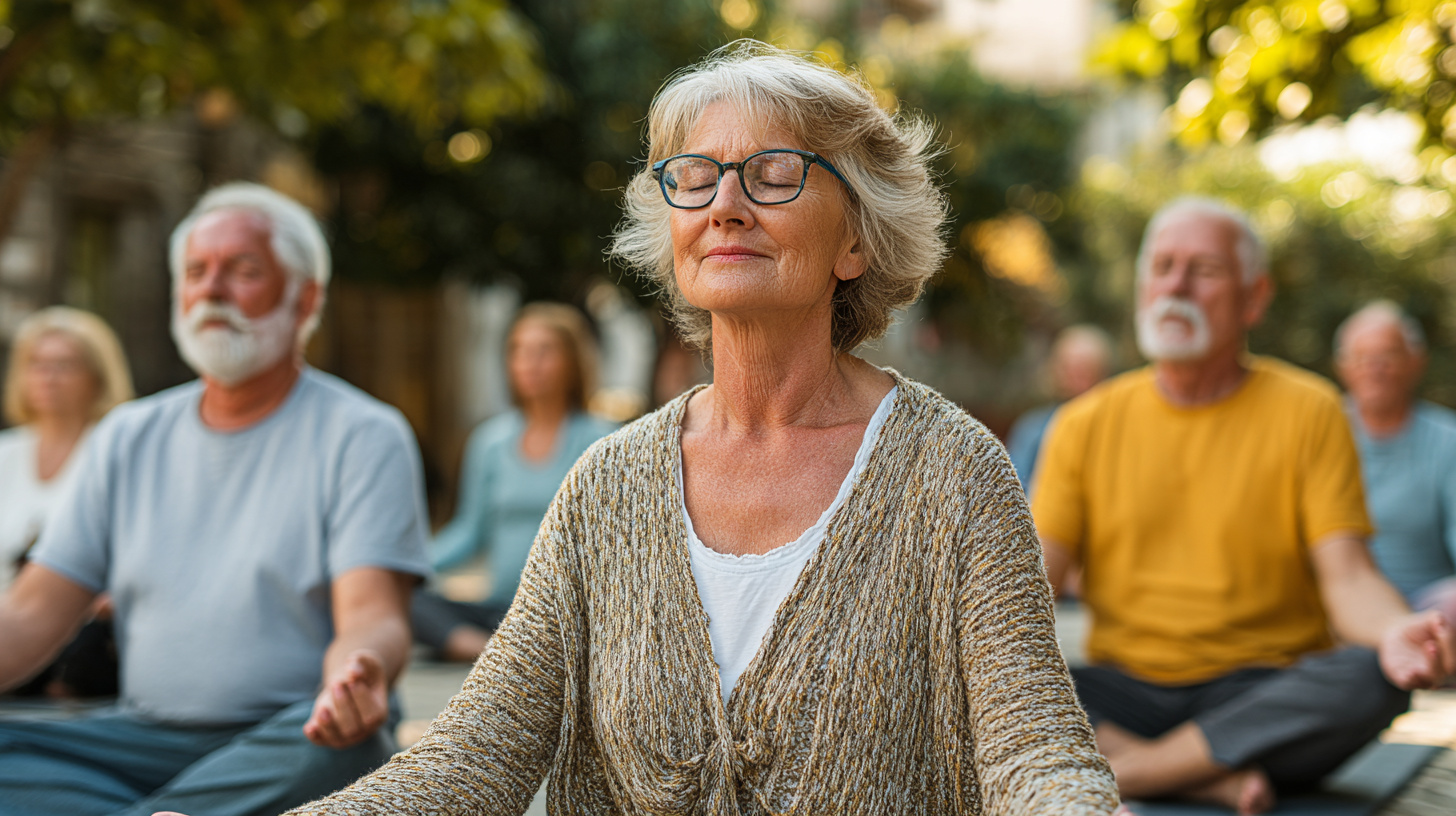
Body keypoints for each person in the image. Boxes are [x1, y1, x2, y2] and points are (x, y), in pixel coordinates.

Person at [280, 41, 1117, 815]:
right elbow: (470, 758)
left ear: (855, 240)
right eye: (695, 175)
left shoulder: (954, 471)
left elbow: (1034, 749)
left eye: (775, 172)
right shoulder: (606, 489)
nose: (725, 205)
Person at [0, 182, 432, 816]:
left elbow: (372, 615)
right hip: (134, 738)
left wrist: (358, 674)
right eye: (196, 272)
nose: (212, 290)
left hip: (288, 737)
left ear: (304, 296)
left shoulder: (364, 434)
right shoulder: (128, 435)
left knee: (345, 752)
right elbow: (31, 613)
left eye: (244, 270)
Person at [1033, 197, 1456, 815]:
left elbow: (1349, 576)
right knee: (987, 681)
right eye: (1162, 266)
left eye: (1202, 270)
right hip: (1126, 692)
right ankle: (1202, 773)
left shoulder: (1310, 409)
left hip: (1264, 694)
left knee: (1371, 677)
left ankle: (1129, 771)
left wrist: (1395, 632)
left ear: (1254, 297)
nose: (1174, 285)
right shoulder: (1081, 425)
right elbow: (1034, 585)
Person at [413, 303, 616, 662]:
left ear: (573, 361)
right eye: (519, 350)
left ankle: (510, 657)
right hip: (499, 613)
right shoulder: (489, 441)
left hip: (565, 615)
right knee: (405, 600)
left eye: (544, 351)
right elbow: (469, 531)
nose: (529, 362)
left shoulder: (601, 442)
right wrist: (409, 567)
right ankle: (496, 653)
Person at [1, 306, 133, 699]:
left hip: (83, 633)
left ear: (96, 376)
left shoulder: (116, 451)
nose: (48, 377)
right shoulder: (5, 453)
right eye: (37, 364)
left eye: (63, 365)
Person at [1336, 301, 1456, 617]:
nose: (1374, 368)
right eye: (1361, 358)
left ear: (1416, 362)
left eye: (1387, 356)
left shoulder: (1447, 440)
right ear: (1342, 367)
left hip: (1425, 612)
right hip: (1333, 610)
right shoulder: (1319, 432)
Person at [1006, 324, 1112, 488]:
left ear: (1102, 374)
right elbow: (1015, 490)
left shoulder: (1114, 429)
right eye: (1067, 369)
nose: (1073, 378)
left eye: (1083, 370)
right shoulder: (1033, 429)